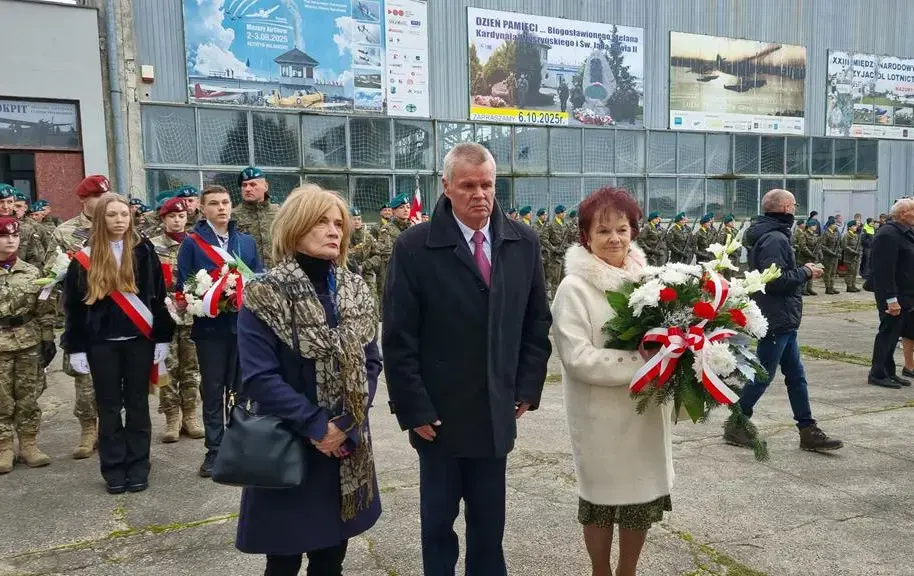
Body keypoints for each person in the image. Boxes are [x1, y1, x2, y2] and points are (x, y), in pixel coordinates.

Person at [383, 142, 552, 575]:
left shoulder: (523, 243)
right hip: (437, 417)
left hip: (495, 414)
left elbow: (536, 326)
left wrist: (527, 388)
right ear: (446, 187)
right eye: (468, 185)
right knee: (438, 526)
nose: (480, 194)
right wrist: (413, 407)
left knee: (489, 526)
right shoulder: (415, 247)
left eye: (487, 185)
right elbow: (399, 338)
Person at [235, 185, 382, 576]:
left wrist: (347, 424)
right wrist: (319, 427)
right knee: (282, 560)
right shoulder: (265, 293)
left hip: (346, 447)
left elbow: (371, 360)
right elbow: (259, 377)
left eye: (338, 223)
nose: (334, 230)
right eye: (321, 221)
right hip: (290, 443)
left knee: (331, 557)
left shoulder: (354, 290)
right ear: (295, 226)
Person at [551, 187, 672, 576]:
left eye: (622, 228)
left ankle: (628, 572)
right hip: (600, 417)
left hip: (644, 413)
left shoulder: (650, 283)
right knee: (601, 503)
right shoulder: (574, 288)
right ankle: (600, 571)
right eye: (603, 232)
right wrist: (642, 362)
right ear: (586, 236)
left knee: (639, 502)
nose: (614, 239)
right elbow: (578, 359)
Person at [62, 193, 175, 493]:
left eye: (124, 214)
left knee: (138, 404)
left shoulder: (143, 250)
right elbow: (74, 305)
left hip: (139, 340)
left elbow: (157, 295)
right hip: (101, 343)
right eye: (112, 215)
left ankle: (139, 465)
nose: (119, 220)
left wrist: (162, 337)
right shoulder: (84, 256)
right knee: (109, 406)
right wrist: (75, 346)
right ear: (101, 218)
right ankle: (113, 467)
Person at [724, 189, 843, 452]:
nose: (796, 207)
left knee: (796, 376)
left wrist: (801, 270)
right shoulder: (775, 238)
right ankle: (736, 423)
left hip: (783, 317)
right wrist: (806, 272)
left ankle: (807, 429)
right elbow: (775, 280)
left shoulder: (771, 234)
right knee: (763, 375)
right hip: (777, 316)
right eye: (795, 204)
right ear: (787, 207)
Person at [176, 184, 262, 477]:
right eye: (214, 203)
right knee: (213, 390)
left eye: (225, 202)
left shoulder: (246, 243)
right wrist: (208, 297)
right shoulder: (191, 243)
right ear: (202, 209)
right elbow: (183, 287)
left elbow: (258, 281)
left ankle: (240, 446)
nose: (222, 208)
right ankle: (215, 449)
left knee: (242, 389)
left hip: (243, 330)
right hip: (210, 330)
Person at [52, 175, 110, 459]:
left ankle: (110, 429)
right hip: (83, 313)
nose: (102, 203)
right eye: (97, 198)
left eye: (106, 197)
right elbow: (54, 273)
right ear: (84, 200)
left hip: (114, 312)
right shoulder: (65, 232)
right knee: (84, 377)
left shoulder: (117, 225)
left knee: (115, 376)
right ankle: (88, 429)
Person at [0, 217, 57, 474]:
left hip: (28, 340)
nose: (11, 240)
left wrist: (47, 338)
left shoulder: (32, 272)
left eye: (14, 236)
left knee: (28, 396)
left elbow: (44, 309)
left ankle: (29, 444)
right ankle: (4, 447)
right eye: (4, 236)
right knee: (1, 399)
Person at [150, 198, 205, 443]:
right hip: (163, 316)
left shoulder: (196, 244)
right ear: (163, 219)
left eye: (181, 216)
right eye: (171, 216)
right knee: (165, 367)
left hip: (191, 314)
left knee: (192, 368)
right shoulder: (151, 247)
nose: (176, 220)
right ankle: (172, 417)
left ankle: (191, 415)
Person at [867, 198, 914, 389]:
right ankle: (877, 373)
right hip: (894, 296)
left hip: (906, 295)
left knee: (894, 336)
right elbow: (884, 272)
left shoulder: (905, 232)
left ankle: (889, 372)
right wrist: (891, 300)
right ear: (902, 213)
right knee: (887, 334)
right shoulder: (887, 234)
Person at [234, 167, 280, 269]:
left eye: (253, 184)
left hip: (278, 273)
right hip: (248, 274)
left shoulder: (279, 213)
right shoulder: (233, 216)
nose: (248, 189)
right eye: (244, 185)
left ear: (265, 186)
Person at [841, 220, 862, 292]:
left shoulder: (855, 235)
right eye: (854, 226)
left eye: (855, 226)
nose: (855, 227)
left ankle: (853, 285)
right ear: (850, 227)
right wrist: (853, 251)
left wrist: (858, 252)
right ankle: (849, 286)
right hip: (849, 257)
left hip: (855, 257)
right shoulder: (847, 235)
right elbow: (844, 246)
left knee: (854, 272)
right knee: (850, 272)